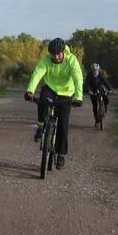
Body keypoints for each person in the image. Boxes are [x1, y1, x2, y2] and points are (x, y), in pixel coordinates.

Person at [24, 38, 83, 170]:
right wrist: (30, 91)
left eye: (58, 54)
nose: (56, 57)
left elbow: (78, 78)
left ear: (63, 52)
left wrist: (78, 97)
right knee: (43, 101)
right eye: (53, 54)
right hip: (50, 88)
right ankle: (40, 126)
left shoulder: (71, 60)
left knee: (63, 123)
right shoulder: (46, 59)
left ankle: (61, 154)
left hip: (66, 92)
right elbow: (37, 73)